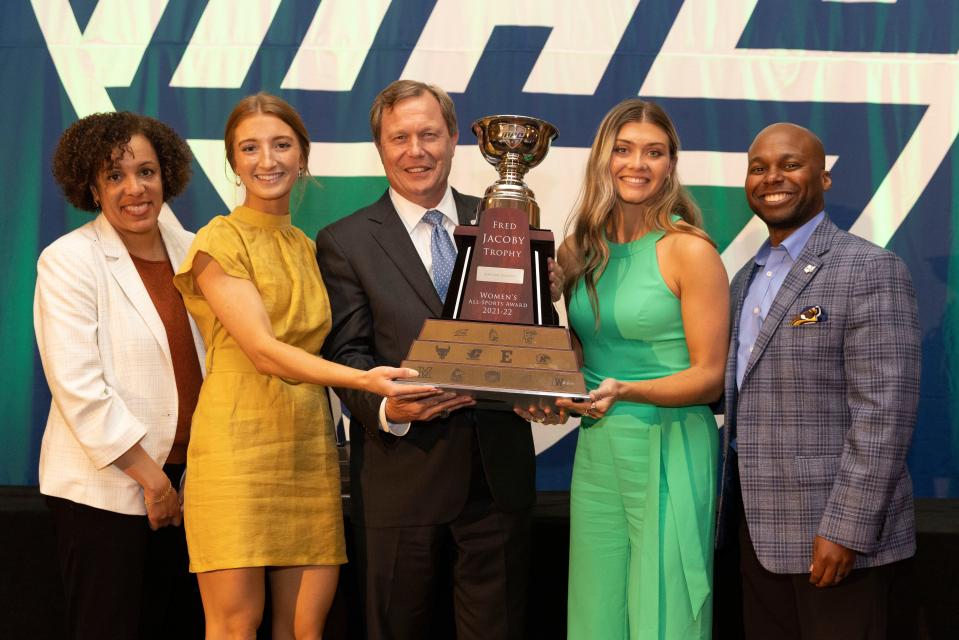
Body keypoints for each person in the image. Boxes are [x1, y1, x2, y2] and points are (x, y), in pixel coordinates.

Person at [172, 92, 429, 639]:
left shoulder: (311, 247)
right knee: (236, 626)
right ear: (233, 160)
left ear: (303, 155)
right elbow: (264, 351)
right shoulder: (218, 239)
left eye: (281, 144)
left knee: (304, 630)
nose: (268, 160)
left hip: (309, 450)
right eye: (251, 148)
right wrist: (364, 380)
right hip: (236, 451)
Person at [315, 80, 537, 640]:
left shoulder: (505, 218)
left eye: (429, 134)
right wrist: (391, 409)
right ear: (381, 148)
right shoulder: (344, 241)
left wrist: (545, 297)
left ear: (455, 139)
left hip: (496, 477)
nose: (416, 150)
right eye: (400, 137)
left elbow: (533, 334)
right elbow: (347, 354)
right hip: (399, 477)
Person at [715, 122, 921, 639]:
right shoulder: (743, 279)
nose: (772, 178)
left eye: (790, 164)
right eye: (758, 167)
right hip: (759, 538)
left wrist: (845, 530)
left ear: (823, 177)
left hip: (835, 543)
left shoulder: (869, 268)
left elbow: (885, 414)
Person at [555, 98, 729, 639]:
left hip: (670, 443)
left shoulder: (689, 251)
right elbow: (582, 350)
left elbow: (710, 376)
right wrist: (549, 371)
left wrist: (630, 390)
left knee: (666, 612)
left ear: (671, 164)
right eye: (624, 149)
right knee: (596, 608)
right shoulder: (578, 249)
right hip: (600, 444)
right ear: (603, 158)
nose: (638, 164)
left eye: (654, 153)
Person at [36, 111, 204, 638]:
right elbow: (79, 389)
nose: (135, 189)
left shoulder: (196, 250)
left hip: (195, 487)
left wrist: (181, 481)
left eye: (147, 172)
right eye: (115, 175)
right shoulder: (68, 260)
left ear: (167, 176)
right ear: (92, 185)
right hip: (107, 492)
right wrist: (153, 482)